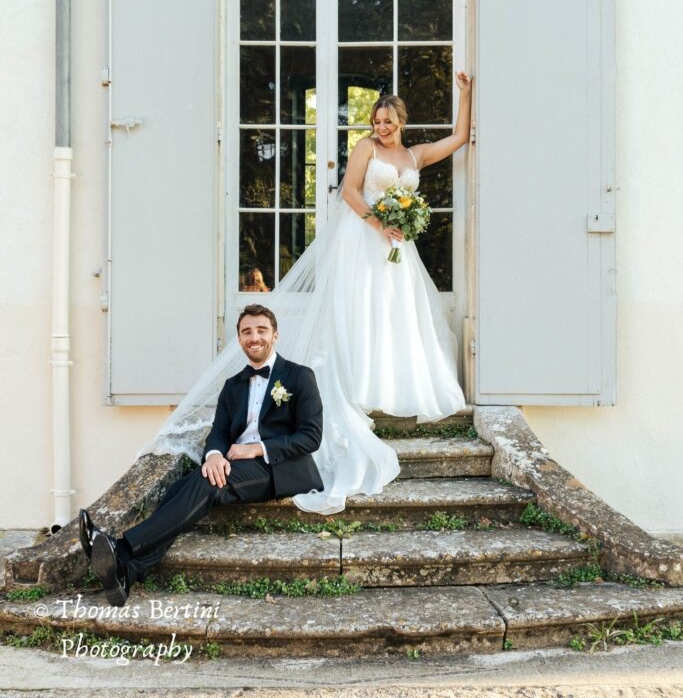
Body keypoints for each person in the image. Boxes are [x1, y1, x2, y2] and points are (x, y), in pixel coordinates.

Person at [140, 74, 473, 517]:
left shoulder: (413, 155)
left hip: (397, 248)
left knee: (397, 315)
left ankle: (394, 384)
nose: (382, 127)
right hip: (366, 241)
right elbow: (350, 192)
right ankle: (361, 384)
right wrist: (381, 223)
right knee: (362, 313)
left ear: (402, 122)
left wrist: (465, 95)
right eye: (376, 121)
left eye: (388, 121)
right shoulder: (365, 149)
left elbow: (460, 137)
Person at [79, 304, 323, 606]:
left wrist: (257, 448)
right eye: (247, 332)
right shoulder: (233, 386)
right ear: (239, 339)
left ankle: (122, 547)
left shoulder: (300, 376)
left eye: (261, 330)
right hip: (236, 464)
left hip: (280, 468)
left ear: (275, 335)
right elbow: (218, 433)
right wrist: (214, 456)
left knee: (208, 485)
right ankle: (127, 573)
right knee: (181, 488)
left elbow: (310, 437)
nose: (254, 337)